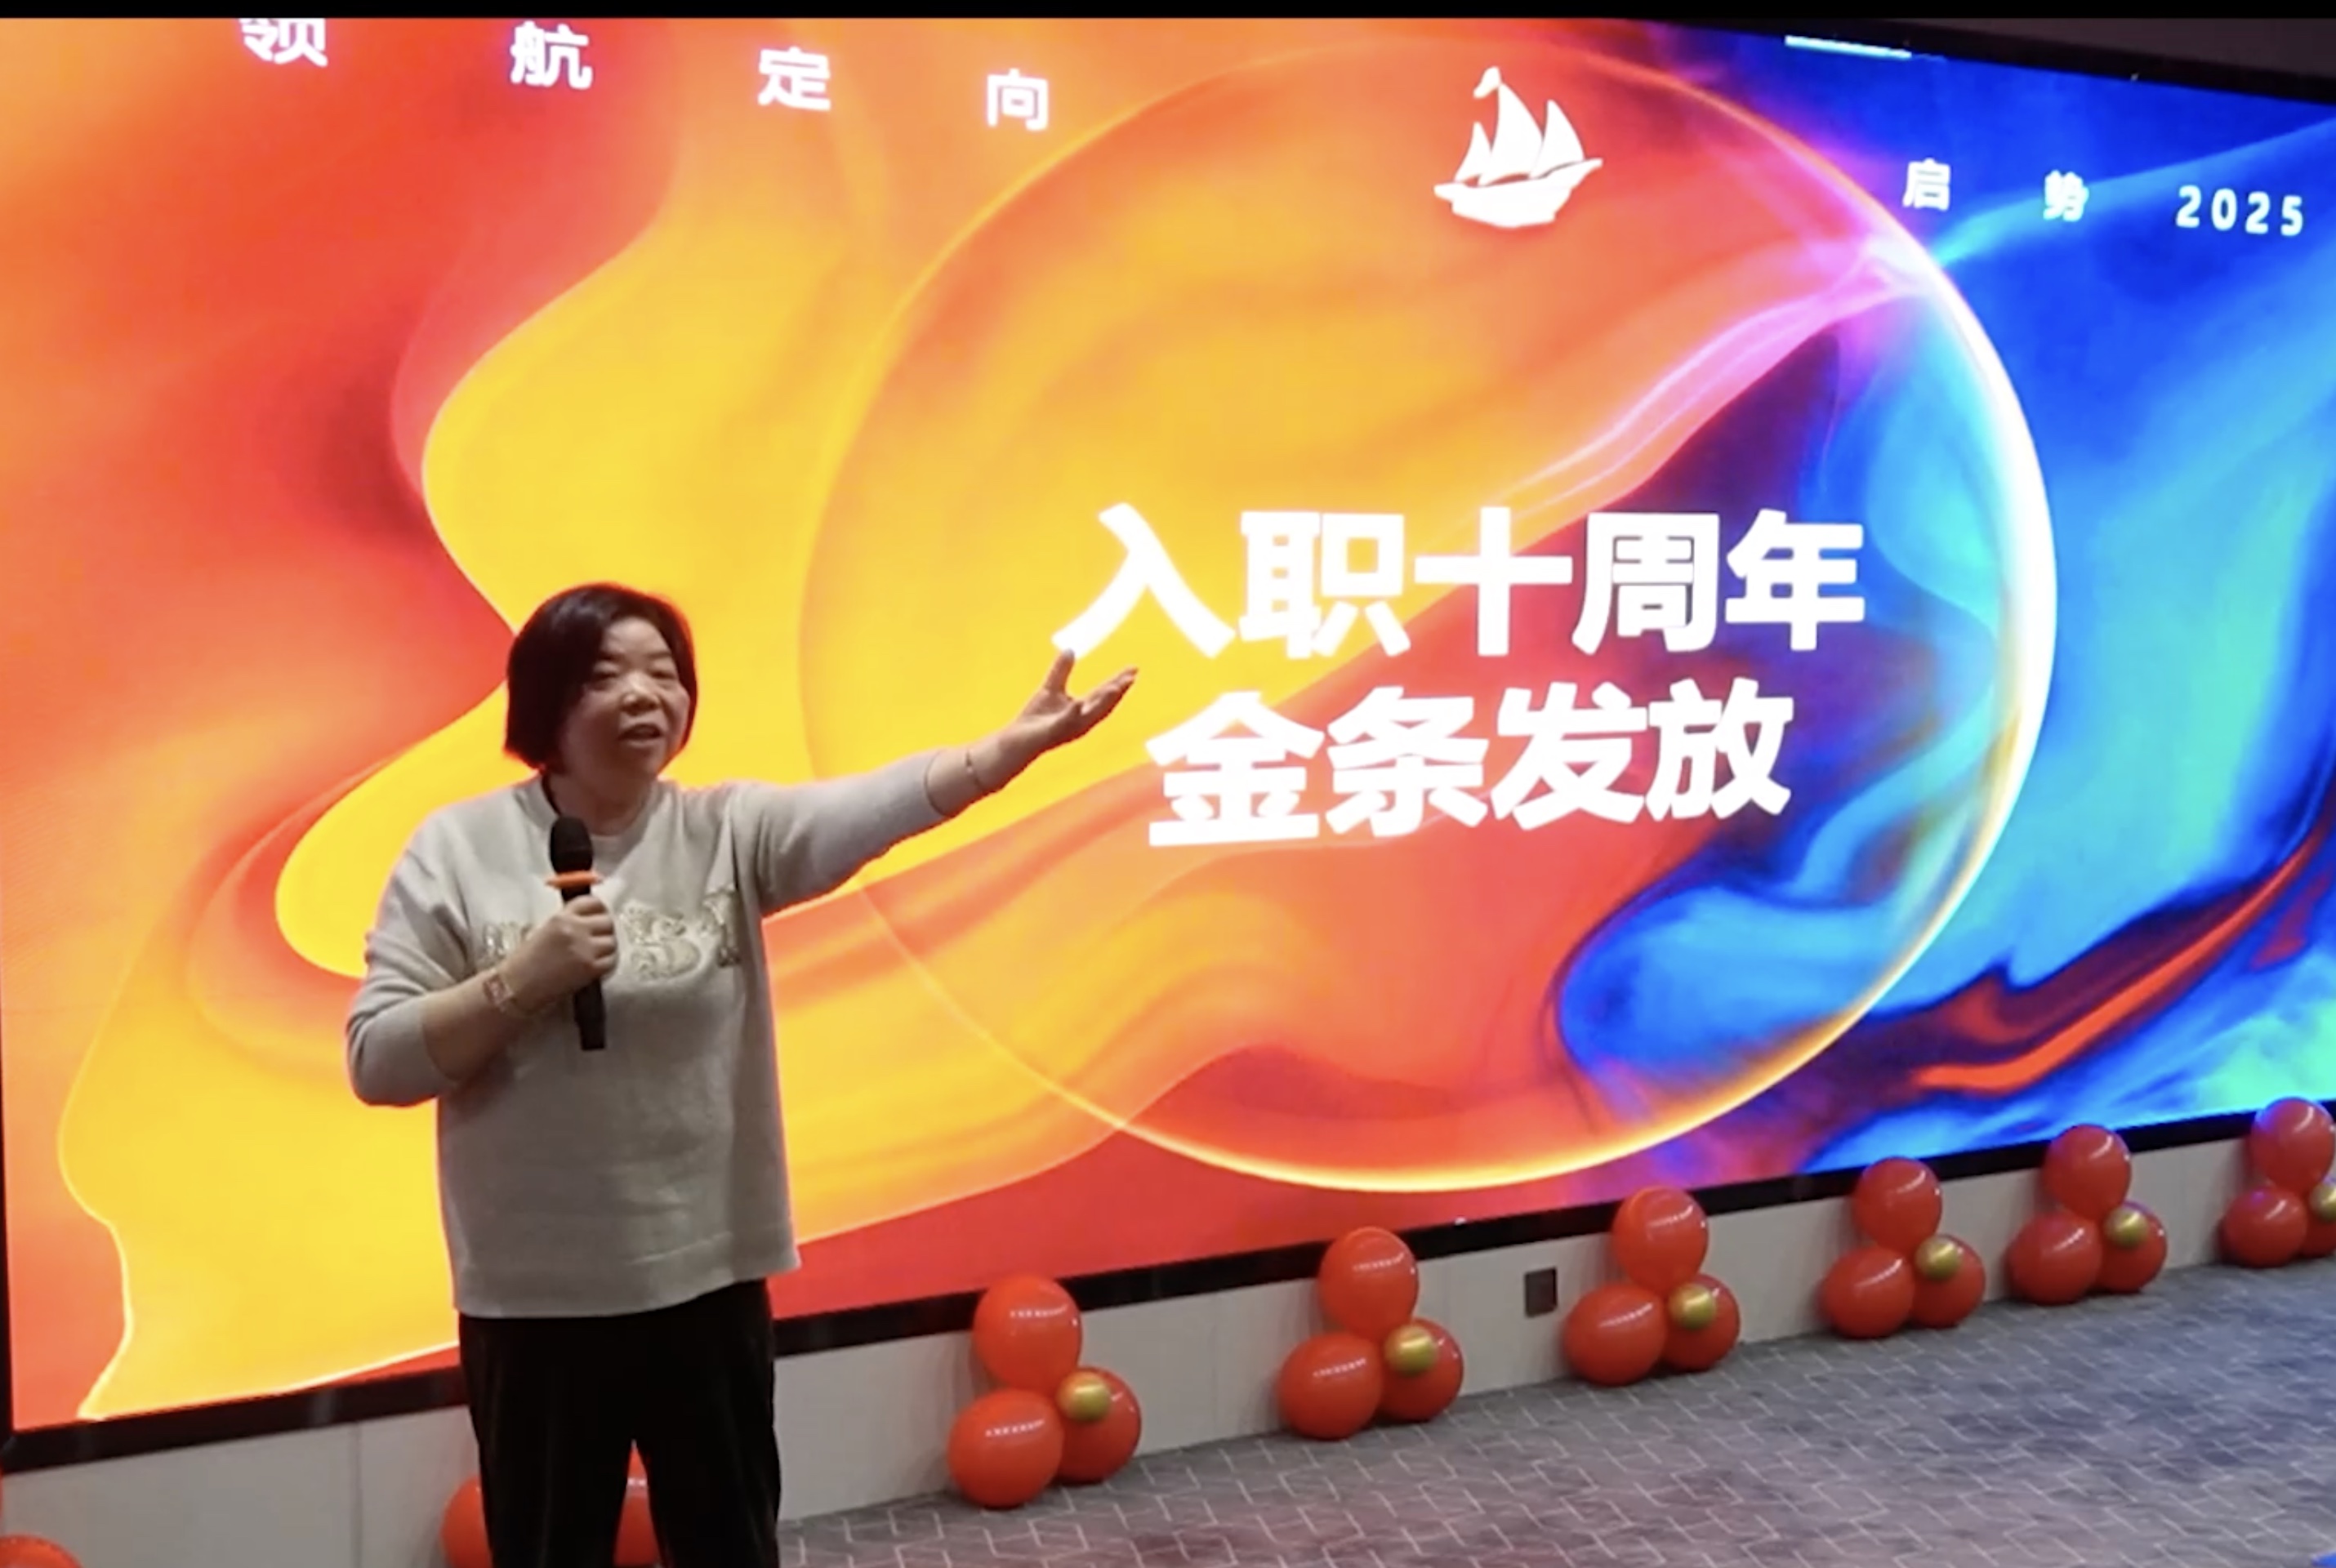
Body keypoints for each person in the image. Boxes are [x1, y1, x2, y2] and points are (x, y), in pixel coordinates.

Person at [345, 582, 1135, 1567]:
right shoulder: (458, 850)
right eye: (606, 675)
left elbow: (870, 809)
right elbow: (378, 1060)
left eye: (665, 673)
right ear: (544, 701)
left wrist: (996, 759)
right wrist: (519, 983)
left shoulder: (726, 831)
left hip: (707, 1278)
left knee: (729, 1543)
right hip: (537, 1298)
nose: (645, 694)